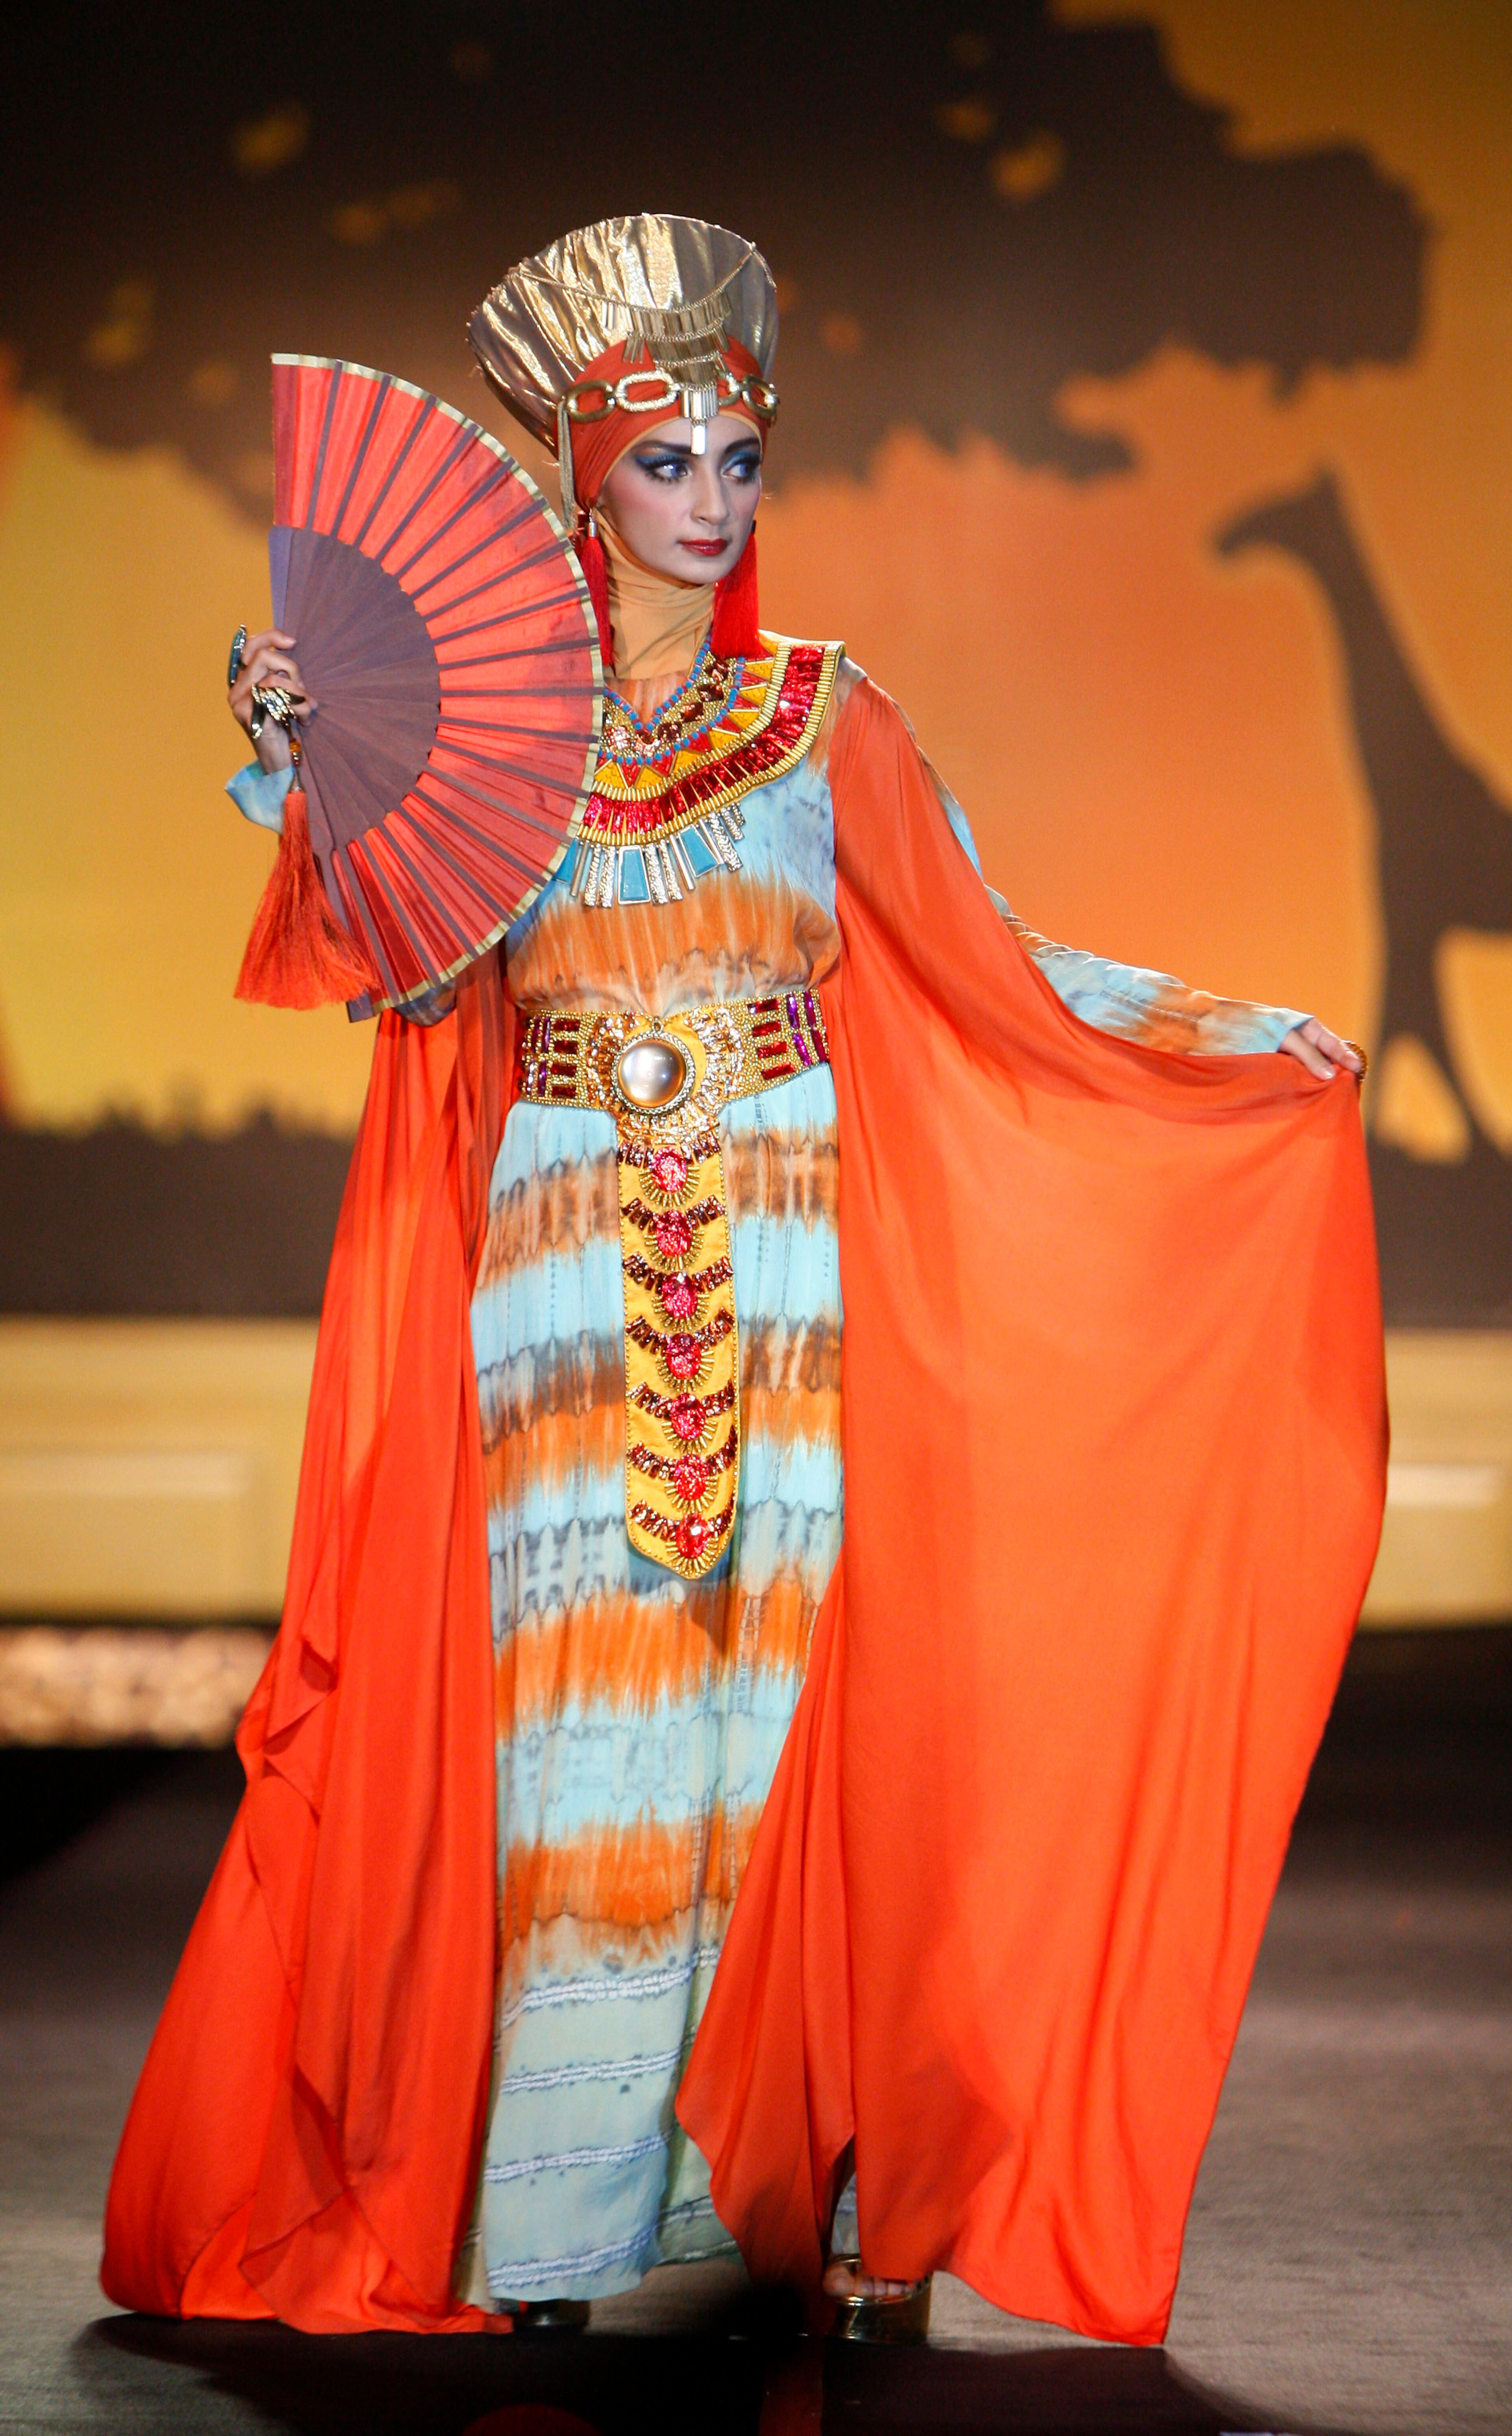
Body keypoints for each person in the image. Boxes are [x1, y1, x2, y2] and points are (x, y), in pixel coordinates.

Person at [103, 215, 1385, 2345]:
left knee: (788, 1702)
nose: (709, 501)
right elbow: (389, 965)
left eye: (737, 461)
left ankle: (820, 2185)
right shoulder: (488, 739)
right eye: (664, 462)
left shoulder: (825, 721)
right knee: (586, 1708)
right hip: (558, 1248)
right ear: (584, 484)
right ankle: (563, 2223)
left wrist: (1223, 1042)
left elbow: (993, 968)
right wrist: (309, 751)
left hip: (786, 1238)